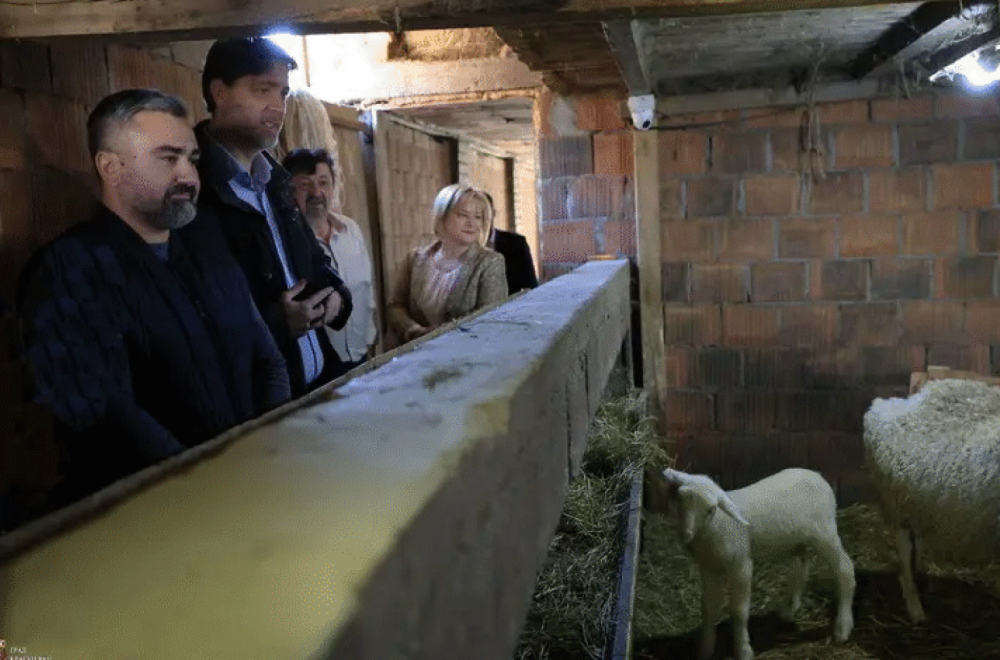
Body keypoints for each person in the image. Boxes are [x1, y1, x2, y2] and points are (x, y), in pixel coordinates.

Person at [16, 89, 291, 507]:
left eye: (192, 159)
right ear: (110, 167)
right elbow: (106, 417)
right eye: (168, 158)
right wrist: (207, 485)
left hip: (249, 491)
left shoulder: (208, 247)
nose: (189, 176)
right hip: (151, 517)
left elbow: (266, 358)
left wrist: (269, 449)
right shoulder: (68, 270)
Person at [195, 37, 353, 396]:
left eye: (282, 93)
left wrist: (336, 299)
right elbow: (196, 318)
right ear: (219, 92)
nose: (278, 107)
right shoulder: (194, 187)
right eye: (263, 90)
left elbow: (314, 263)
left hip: (316, 389)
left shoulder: (278, 183)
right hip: (258, 408)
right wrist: (276, 323)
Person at [283, 148, 378, 372]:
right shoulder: (287, 242)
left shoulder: (351, 229)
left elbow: (367, 290)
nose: (317, 192)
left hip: (362, 353)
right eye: (305, 184)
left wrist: (371, 340)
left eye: (324, 183)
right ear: (289, 190)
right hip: (321, 367)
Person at [387, 184, 507, 343]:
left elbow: (491, 321)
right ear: (442, 216)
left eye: (477, 217)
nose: (471, 224)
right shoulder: (415, 259)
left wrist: (440, 337)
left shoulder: (490, 262)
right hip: (415, 357)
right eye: (463, 215)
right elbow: (395, 307)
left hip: (464, 358)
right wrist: (414, 331)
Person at [482, 192, 540, 294]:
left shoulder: (516, 243)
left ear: (494, 213)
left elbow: (531, 285)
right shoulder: (462, 245)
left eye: (485, 212)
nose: (480, 218)